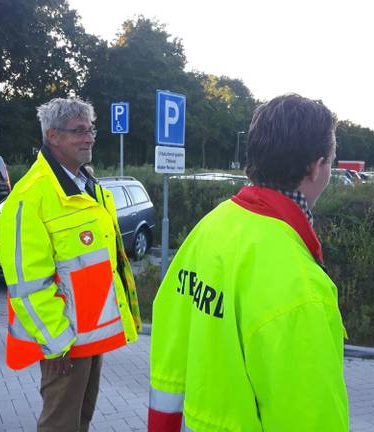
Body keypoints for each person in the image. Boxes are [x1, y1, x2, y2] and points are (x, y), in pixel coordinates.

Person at [148, 94, 349, 431]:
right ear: (316, 167)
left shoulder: (211, 226)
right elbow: (309, 417)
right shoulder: (299, 284)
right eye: (331, 160)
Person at [0, 97, 141, 432]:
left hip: (89, 338)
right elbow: (27, 283)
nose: (89, 137)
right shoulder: (30, 197)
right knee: (60, 426)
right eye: (78, 131)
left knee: (81, 420)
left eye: (90, 129)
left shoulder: (87, 183)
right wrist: (57, 342)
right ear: (53, 136)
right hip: (64, 344)